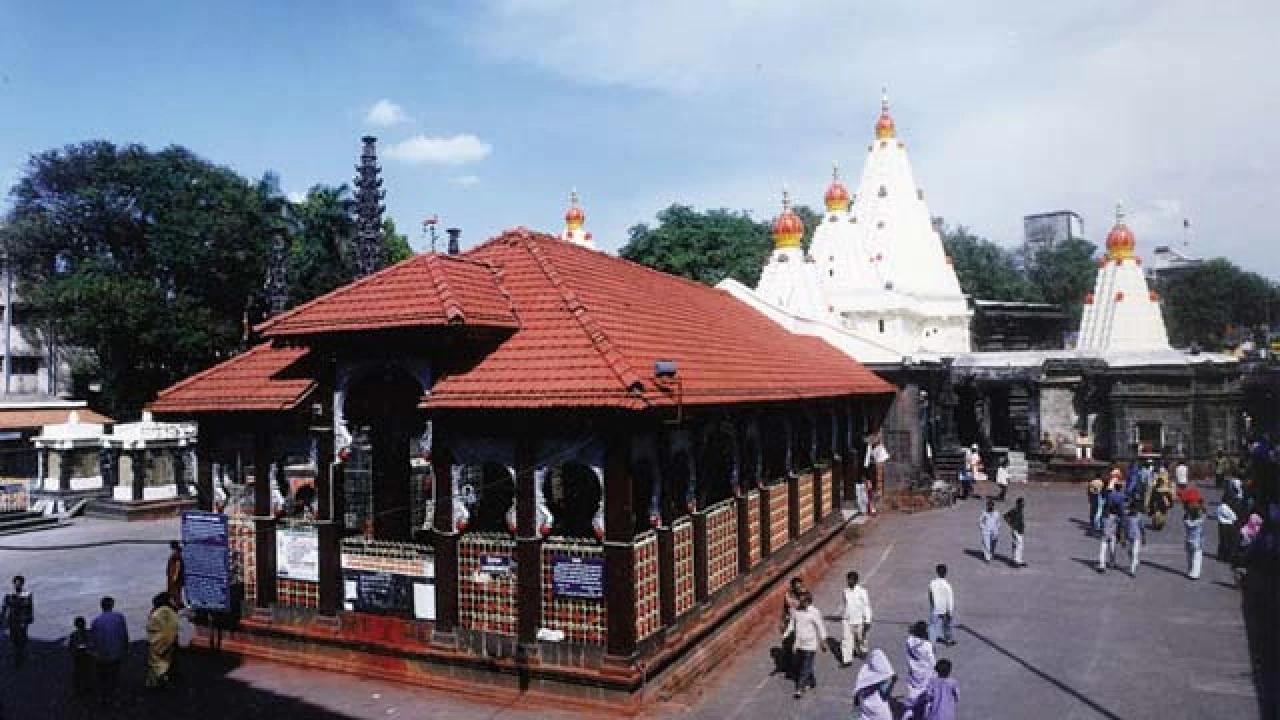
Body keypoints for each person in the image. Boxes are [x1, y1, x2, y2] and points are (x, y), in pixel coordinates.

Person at [781, 591, 827, 698]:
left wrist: (823, 641)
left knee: (805, 666)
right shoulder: (796, 613)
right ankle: (812, 681)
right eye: (799, 600)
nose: (799, 602)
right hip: (799, 644)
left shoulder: (814, 613)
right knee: (802, 664)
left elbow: (820, 627)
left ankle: (799, 688)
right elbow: (792, 626)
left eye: (801, 601)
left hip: (810, 645)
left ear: (807, 602)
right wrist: (785, 635)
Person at [90, 596, 129, 706]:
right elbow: (124, 634)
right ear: (112, 605)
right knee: (114, 675)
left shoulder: (96, 621)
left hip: (102, 653)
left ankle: (103, 697)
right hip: (116, 651)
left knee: (102, 676)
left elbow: (94, 639)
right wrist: (125, 647)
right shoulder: (119, 617)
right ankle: (114, 697)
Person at [837, 571, 872, 665]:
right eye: (848, 579)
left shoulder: (862, 592)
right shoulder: (845, 591)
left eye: (851, 579)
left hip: (859, 620)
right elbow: (845, 604)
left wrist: (867, 620)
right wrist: (844, 616)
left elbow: (866, 606)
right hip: (847, 620)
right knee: (846, 640)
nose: (849, 581)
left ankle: (863, 650)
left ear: (856, 580)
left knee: (860, 638)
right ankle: (847, 660)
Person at [146, 592, 179, 688]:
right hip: (164, 643)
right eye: (171, 599)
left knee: (155, 663)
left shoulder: (155, 611)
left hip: (155, 642)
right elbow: (173, 626)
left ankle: (154, 682)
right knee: (164, 663)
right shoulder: (166, 611)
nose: (173, 601)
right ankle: (162, 682)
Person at [852, 648, 897, 720]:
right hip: (879, 710)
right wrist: (892, 681)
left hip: (866, 708)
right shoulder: (882, 680)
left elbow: (856, 696)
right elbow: (885, 693)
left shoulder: (864, 674)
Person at [902, 621, 936, 715]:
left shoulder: (909, 640)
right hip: (925, 673)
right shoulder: (927, 645)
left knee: (913, 691)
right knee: (925, 695)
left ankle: (909, 712)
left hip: (913, 670)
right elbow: (932, 661)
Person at [776, 576, 806, 677]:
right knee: (787, 643)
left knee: (798, 646)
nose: (799, 588)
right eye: (796, 587)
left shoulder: (805, 595)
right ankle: (787, 666)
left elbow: (808, 609)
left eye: (800, 586)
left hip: (801, 622)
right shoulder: (788, 595)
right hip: (790, 621)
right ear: (792, 587)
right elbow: (785, 609)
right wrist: (782, 621)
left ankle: (799, 668)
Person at [1, 575, 33, 666]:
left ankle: (20, 655)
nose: (17, 585)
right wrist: (2, 618)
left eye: (19, 583)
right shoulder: (9, 594)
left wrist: (29, 618)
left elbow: (30, 607)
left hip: (22, 619)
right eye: (16, 583)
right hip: (12, 619)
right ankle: (16, 654)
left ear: (22, 584)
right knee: (13, 637)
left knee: (22, 637)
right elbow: (4, 607)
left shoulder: (27, 594)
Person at [927, 565, 954, 646]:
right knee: (946, 626)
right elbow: (950, 600)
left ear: (937, 572)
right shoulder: (947, 585)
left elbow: (930, 595)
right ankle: (948, 640)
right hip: (945, 609)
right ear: (945, 573)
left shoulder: (932, 583)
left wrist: (932, 605)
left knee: (933, 626)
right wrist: (950, 611)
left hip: (935, 607)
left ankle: (932, 641)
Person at [864, 434, 889, 515]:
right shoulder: (869, 449)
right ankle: (871, 508)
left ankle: (872, 508)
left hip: (873, 472)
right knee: (869, 489)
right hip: (869, 472)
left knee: (872, 490)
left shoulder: (879, 449)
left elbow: (881, 462)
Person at [68, 616, 94, 697]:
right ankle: (86, 688)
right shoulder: (89, 633)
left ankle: (79, 689)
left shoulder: (73, 635)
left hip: (79, 656)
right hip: (85, 655)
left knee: (80, 673)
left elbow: (70, 647)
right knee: (86, 672)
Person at [1122, 499, 1145, 577]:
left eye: (1135, 509)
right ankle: (1135, 561)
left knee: (1134, 552)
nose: (1134, 510)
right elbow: (1124, 527)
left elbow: (1142, 527)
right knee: (1129, 552)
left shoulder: (1139, 516)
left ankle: (1132, 570)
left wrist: (1144, 537)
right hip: (1128, 537)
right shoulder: (1126, 516)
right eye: (1133, 509)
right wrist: (1123, 539)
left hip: (1136, 537)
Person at [1096, 497, 1120, 572]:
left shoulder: (1104, 517)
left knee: (1103, 550)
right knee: (1112, 550)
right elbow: (1118, 527)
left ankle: (1102, 565)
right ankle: (1111, 563)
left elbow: (1101, 526)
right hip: (1112, 535)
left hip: (1105, 535)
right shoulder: (1116, 518)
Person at [1184, 502, 1205, 580]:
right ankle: (1194, 574)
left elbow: (1185, 517)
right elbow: (1204, 514)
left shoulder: (1186, 521)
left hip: (1188, 540)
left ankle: (1190, 570)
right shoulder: (1199, 521)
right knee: (1197, 558)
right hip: (1197, 542)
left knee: (1189, 557)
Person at [1004, 497, 1027, 567]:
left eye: (1023, 503)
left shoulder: (1020, 510)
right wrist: (1011, 524)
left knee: (1020, 545)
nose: (1023, 504)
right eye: (1022, 503)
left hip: (1020, 530)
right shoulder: (1014, 510)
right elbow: (1005, 516)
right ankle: (1015, 561)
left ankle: (1019, 560)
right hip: (1015, 530)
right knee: (1017, 545)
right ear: (1018, 504)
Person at [166, 541, 185, 608]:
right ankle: (178, 603)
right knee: (177, 592)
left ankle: (178, 604)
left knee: (175, 592)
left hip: (175, 578)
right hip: (176, 577)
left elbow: (178, 566)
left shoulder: (176, 554)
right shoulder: (179, 553)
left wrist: (174, 577)